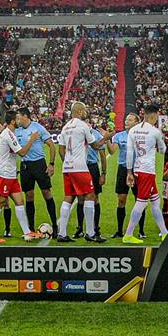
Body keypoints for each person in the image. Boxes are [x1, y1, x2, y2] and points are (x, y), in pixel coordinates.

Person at [0, 111, 41, 243]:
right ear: (13, 121)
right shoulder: (8, 135)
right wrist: (32, 140)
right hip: (4, 174)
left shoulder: (8, 133)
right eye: (18, 119)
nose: (20, 121)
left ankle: (27, 232)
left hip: (11, 175)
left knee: (20, 202)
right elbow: (21, 152)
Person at [56, 102, 107, 243]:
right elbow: (95, 145)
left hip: (67, 168)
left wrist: (67, 161)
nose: (86, 112)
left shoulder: (65, 127)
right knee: (90, 195)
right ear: (79, 111)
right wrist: (107, 137)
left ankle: (62, 233)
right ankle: (90, 233)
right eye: (84, 110)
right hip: (80, 167)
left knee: (69, 197)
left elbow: (61, 149)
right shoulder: (83, 126)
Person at [123, 104, 168, 244]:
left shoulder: (133, 130)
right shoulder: (155, 132)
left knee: (155, 201)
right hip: (147, 170)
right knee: (141, 202)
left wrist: (129, 172)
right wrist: (160, 139)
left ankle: (164, 233)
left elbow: (130, 152)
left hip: (137, 168)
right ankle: (128, 234)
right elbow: (162, 150)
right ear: (154, 116)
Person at [14, 108, 60, 233]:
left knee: (46, 193)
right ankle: (31, 228)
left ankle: (55, 226)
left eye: (18, 117)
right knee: (29, 196)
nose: (17, 120)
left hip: (39, 164)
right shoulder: (16, 130)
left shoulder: (37, 128)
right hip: (25, 166)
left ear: (25, 116)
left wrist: (51, 164)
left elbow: (51, 145)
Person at [108, 113, 144, 239]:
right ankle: (119, 231)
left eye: (130, 120)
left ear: (136, 123)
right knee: (121, 199)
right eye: (126, 119)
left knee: (139, 200)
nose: (126, 121)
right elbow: (112, 151)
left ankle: (141, 231)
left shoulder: (141, 136)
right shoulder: (119, 136)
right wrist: (107, 138)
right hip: (123, 169)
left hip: (138, 170)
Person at [73, 115, 107, 239]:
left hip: (92, 168)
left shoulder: (96, 135)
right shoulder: (77, 133)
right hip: (80, 167)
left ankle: (95, 228)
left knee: (95, 198)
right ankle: (80, 228)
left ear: (90, 123)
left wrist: (103, 173)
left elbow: (103, 155)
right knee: (80, 198)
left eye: (86, 121)